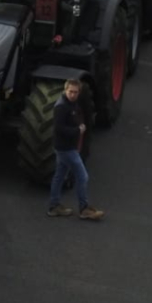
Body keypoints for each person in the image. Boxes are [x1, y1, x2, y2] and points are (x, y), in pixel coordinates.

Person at [48, 78, 103, 220]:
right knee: (82, 176)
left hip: (66, 147)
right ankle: (84, 208)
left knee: (59, 176)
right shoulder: (61, 107)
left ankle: (54, 206)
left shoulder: (72, 104)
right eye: (70, 92)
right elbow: (59, 129)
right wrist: (78, 130)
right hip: (66, 149)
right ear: (65, 90)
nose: (73, 94)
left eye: (75, 92)